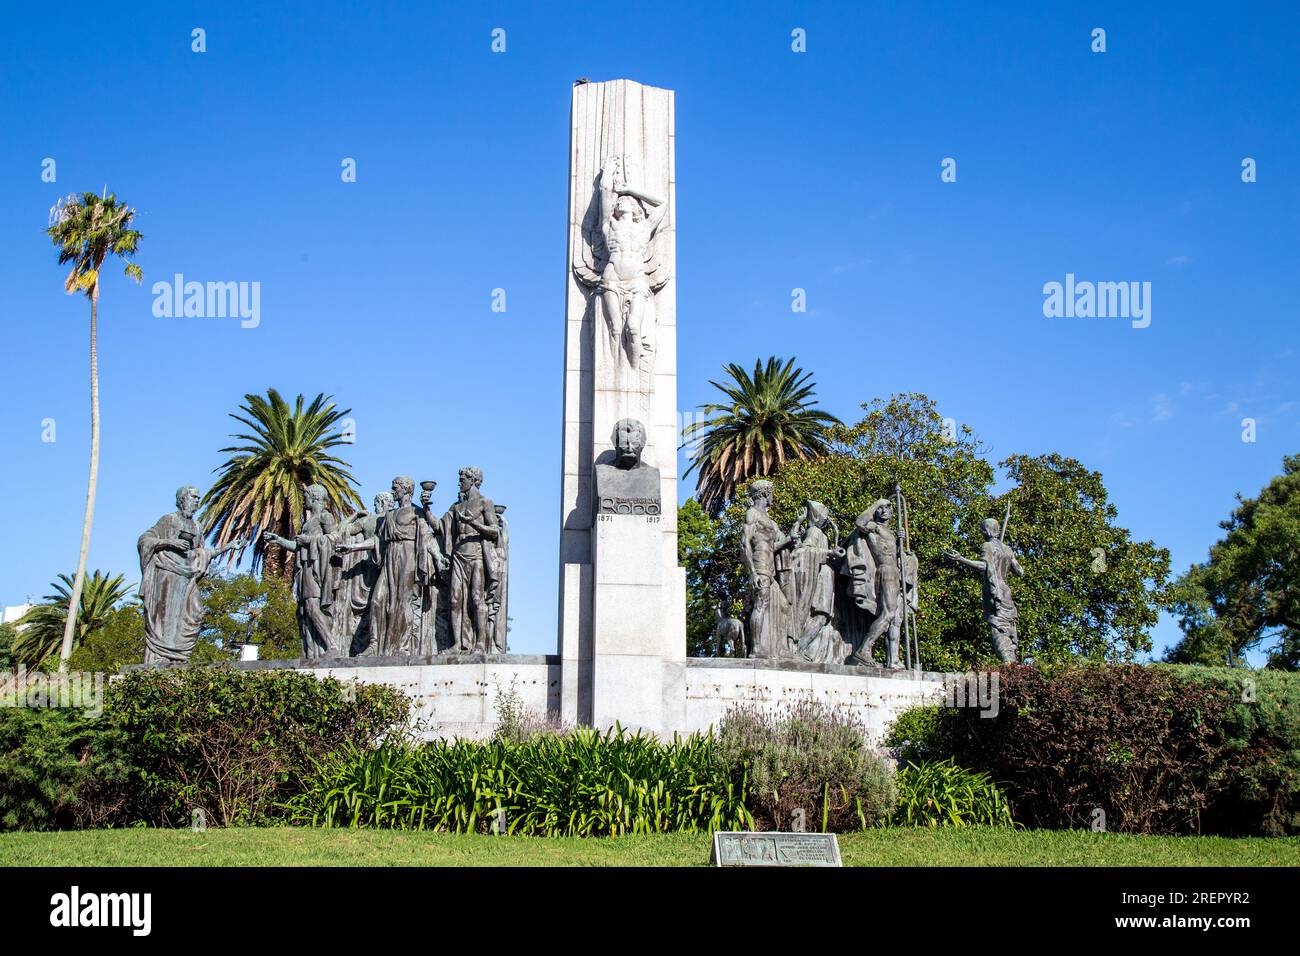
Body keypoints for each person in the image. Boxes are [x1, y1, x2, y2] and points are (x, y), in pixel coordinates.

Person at [138, 485, 240, 664]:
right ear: (182, 499)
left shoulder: (197, 527)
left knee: (195, 613)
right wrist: (170, 542)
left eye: (198, 498)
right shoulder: (168, 520)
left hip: (187, 578)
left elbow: (201, 553)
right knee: (163, 618)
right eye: (193, 497)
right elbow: (145, 540)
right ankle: (160, 657)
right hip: (167, 576)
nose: (197, 501)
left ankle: (178, 657)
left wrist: (228, 547)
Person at [365, 476, 445, 656]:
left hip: (407, 556)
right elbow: (377, 540)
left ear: (407, 489)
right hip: (389, 557)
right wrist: (352, 548)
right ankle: (374, 643)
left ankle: (403, 646)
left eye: (396, 488)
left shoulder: (416, 512)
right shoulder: (388, 515)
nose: (393, 491)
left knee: (403, 603)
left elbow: (427, 537)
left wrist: (438, 557)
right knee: (377, 599)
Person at [263, 483, 340, 659]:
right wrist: (279, 541)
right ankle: (314, 651)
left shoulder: (325, 517)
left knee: (313, 607)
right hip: (306, 567)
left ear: (314, 497)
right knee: (305, 609)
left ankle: (332, 646)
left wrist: (309, 540)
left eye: (306, 497)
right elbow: (298, 546)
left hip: (316, 569)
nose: (304, 500)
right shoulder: (309, 521)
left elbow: (334, 538)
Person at [944, 518, 1025, 663]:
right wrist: (1009, 555)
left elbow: (984, 566)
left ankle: (1009, 665)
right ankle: (1012, 665)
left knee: (997, 630)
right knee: (1008, 628)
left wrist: (961, 559)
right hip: (1007, 593)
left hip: (995, 593)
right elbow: (1020, 571)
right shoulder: (1007, 549)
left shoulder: (987, 546)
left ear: (985, 531)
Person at [439, 467, 500, 653]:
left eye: (463, 478)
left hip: (476, 555)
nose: (459, 482)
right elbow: (439, 527)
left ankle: (480, 643)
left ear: (473, 480)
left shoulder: (484, 502)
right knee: (455, 600)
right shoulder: (456, 507)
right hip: (458, 555)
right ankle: (458, 644)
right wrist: (425, 508)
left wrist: (473, 523)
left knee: (476, 598)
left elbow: (495, 531)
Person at [740, 480, 796, 659]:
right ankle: (756, 649)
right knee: (761, 605)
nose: (773, 497)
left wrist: (790, 539)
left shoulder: (770, 521)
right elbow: (744, 543)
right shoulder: (752, 514)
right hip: (760, 566)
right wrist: (752, 573)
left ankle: (781, 648)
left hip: (770, 570)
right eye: (771, 493)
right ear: (764, 493)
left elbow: (773, 545)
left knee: (783, 607)